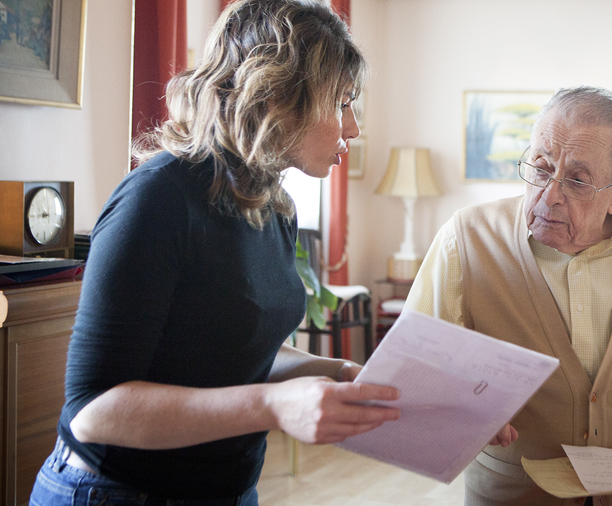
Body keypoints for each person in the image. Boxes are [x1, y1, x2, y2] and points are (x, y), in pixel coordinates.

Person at [29, 1, 400, 505]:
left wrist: (336, 374)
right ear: (276, 96)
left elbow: (234, 353)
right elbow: (94, 411)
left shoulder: (275, 207)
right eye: (340, 103)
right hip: (114, 491)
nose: (352, 128)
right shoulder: (159, 197)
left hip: (226, 489)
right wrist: (271, 406)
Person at [406, 86, 612, 506]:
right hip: (514, 495)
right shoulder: (466, 239)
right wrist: (465, 411)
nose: (549, 194)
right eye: (541, 169)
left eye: (577, 180)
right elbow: (417, 371)